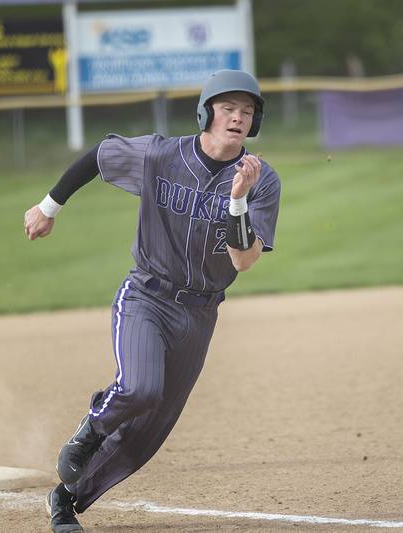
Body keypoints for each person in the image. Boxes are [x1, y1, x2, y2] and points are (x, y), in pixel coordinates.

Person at [23, 69, 281, 533]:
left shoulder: (260, 179)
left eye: (247, 111)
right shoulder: (163, 155)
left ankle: (66, 500)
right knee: (140, 387)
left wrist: (238, 201)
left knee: (145, 438)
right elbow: (99, 156)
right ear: (206, 112)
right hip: (147, 295)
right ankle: (89, 430)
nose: (237, 118)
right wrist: (48, 207)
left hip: (201, 313)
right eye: (228, 108)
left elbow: (244, 261)